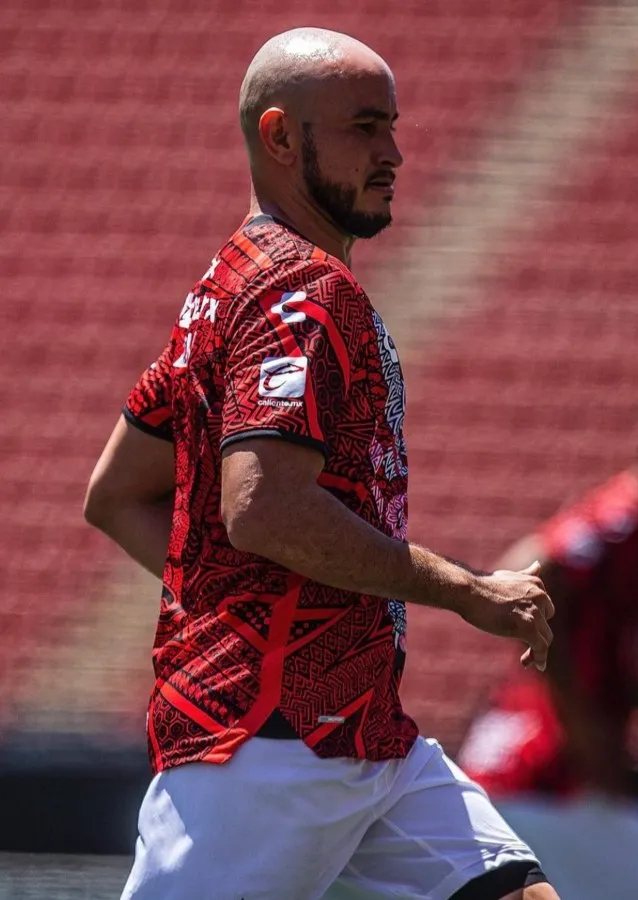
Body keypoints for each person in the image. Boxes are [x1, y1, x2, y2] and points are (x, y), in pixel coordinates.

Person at [84, 27, 560, 900]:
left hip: (360, 736)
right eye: (365, 128)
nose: (394, 153)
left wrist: (235, 603)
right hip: (270, 747)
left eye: (393, 127)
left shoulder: (224, 286)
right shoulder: (298, 289)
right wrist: (467, 589)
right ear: (279, 136)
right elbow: (264, 509)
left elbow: (116, 495)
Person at [457, 378, 638, 900]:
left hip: (539, 787)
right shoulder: (622, 518)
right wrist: (577, 720)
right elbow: (527, 568)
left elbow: (608, 678)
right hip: (539, 782)